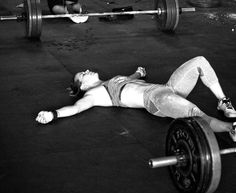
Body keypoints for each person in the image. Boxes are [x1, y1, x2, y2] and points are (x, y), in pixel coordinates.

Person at [36, 56, 236, 142]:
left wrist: (138, 73)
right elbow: (76, 108)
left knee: (199, 62)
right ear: (83, 85)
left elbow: (127, 81)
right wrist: (53, 114)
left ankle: (223, 101)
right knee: (195, 115)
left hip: (168, 88)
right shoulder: (94, 94)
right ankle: (230, 129)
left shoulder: (112, 80)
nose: (87, 71)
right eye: (83, 74)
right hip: (156, 100)